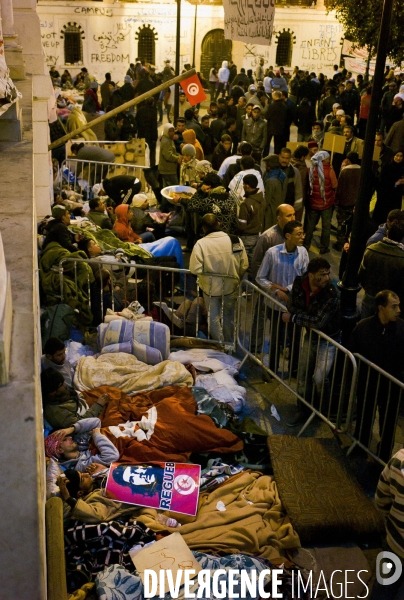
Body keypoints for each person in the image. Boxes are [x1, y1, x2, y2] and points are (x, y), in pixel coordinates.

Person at [282, 257, 340, 426]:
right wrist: (303, 317)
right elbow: (293, 305)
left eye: (328, 273)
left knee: (320, 378)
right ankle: (302, 409)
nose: (327, 278)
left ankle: (323, 409)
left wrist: (294, 318)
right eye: (323, 274)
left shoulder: (331, 292)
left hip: (329, 339)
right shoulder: (300, 282)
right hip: (312, 336)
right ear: (311, 275)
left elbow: (318, 322)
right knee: (303, 374)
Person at [349, 290, 404, 462]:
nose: (399, 310)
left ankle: (383, 457)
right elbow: (352, 353)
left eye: (398, 306)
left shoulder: (402, 328)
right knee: (365, 417)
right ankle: (360, 448)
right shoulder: (364, 327)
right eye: (394, 307)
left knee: (388, 424)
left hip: (391, 387)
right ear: (381, 308)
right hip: (368, 383)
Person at [256, 221, 308, 373]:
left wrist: (286, 288)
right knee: (276, 339)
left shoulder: (303, 252)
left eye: (303, 233)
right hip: (275, 304)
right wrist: (276, 291)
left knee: (295, 339)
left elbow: (304, 277)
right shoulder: (272, 253)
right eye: (299, 234)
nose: (302, 237)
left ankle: (294, 369)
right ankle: (272, 369)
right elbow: (260, 278)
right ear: (288, 236)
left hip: (296, 304)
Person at [189, 214, 248, 342]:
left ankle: (220, 344)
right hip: (231, 286)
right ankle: (228, 343)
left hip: (210, 288)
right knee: (228, 316)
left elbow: (194, 269)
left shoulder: (201, 244)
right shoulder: (235, 240)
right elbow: (244, 265)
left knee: (213, 317)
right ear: (219, 224)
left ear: (204, 228)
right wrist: (236, 277)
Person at [359, 222, 404, 318]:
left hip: (370, 295)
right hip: (389, 301)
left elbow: (361, 274)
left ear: (387, 232)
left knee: (366, 323)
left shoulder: (371, 249)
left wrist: (368, 289)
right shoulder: (401, 258)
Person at [41, 368, 108, 430]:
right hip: (89, 417)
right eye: (61, 384)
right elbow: (81, 423)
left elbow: (73, 394)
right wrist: (98, 405)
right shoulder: (57, 413)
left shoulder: (59, 395)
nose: (65, 384)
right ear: (52, 392)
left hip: (85, 404)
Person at [44, 417, 119, 472]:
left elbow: (96, 422)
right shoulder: (80, 466)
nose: (70, 437)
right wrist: (97, 436)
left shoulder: (79, 445)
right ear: (59, 450)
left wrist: (72, 429)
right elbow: (112, 456)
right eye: (65, 439)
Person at [304, 150, 338, 254]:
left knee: (310, 226)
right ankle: (323, 248)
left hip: (313, 202)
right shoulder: (330, 171)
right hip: (326, 203)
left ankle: (306, 245)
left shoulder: (310, 169)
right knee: (326, 227)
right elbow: (335, 185)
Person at [251, 204, 296, 281]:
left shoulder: (296, 234)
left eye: (294, 214)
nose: (293, 219)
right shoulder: (267, 237)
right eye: (288, 216)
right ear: (279, 218)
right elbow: (257, 262)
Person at [237, 174, 264, 273]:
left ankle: (243, 286)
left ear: (247, 186)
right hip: (257, 235)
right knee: (253, 263)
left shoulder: (246, 204)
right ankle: (252, 285)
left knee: (243, 264)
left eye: (244, 184)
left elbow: (241, 224)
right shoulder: (261, 199)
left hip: (246, 237)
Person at [334, 151, 361, 250]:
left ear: (348, 160)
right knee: (351, 224)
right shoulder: (361, 170)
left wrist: (336, 200)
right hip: (356, 203)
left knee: (341, 224)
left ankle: (340, 243)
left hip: (344, 202)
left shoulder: (345, 171)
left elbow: (339, 187)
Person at [373, 149, 404, 225]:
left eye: (401, 156)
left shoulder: (402, 168)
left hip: (396, 196)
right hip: (386, 196)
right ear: (393, 156)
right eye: (397, 155)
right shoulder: (387, 167)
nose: (398, 158)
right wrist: (397, 183)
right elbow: (384, 182)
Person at [158, 124, 182, 210]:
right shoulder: (166, 141)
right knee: (172, 189)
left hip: (169, 169)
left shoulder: (169, 139)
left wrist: (178, 155)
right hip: (167, 170)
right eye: (170, 131)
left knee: (167, 189)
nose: (172, 133)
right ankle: (167, 208)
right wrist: (177, 159)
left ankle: (164, 208)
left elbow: (173, 152)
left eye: (173, 130)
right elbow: (168, 155)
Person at [262, 154, 287, 229]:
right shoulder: (282, 175)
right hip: (279, 208)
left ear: (269, 166)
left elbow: (267, 200)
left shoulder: (271, 181)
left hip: (271, 212)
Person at [135, 98, 158, 168]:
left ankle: (139, 165)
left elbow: (136, 121)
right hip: (151, 135)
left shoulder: (140, 110)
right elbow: (154, 125)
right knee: (152, 151)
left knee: (141, 151)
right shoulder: (154, 111)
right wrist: (155, 137)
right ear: (152, 103)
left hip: (141, 133)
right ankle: (152, 166)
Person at [265, 91, 288, 155]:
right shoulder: (284, 106)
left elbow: (267, 116)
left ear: (275, 96)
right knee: (277, 144)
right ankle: (276, 156)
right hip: (280, 128)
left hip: (270, 127)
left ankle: (265, 155)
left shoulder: (272, 105)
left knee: (267, 143)